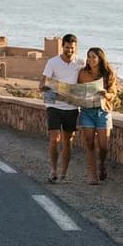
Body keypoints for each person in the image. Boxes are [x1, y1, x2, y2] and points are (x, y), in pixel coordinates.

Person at [39, 33, 84, 183]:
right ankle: (53, 170)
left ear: (75, 48)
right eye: (67, 47)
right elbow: (42, 83)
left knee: (68, 141)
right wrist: (44, 87)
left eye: (72, 48)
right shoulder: (52, 62)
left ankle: (63, 173)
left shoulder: (80, 63)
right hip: (54, 105)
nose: (69, 50)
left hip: (71, 107)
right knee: (54, 140)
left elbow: (85, 81)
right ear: (62, 46)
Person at [77, 47, 118, 184]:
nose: (90, 60)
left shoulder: (108, 73)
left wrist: (105, 94)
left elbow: (113, 94)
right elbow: (77, 90)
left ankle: (102, 165)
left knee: (103, 146)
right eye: (88, 57)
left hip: (103, 112)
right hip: (87, 111)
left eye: (93, 57)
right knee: (89, 144)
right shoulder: (82, 73)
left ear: (100, 58)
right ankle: (92, 175)